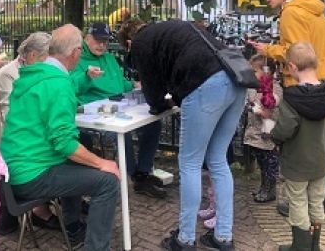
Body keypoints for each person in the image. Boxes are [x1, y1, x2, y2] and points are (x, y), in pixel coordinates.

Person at [118, 19, 246, 251]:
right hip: (236, 80)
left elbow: (153, 95)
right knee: (217, 160)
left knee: (190, 163)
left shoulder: (141, 43)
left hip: (205, 83)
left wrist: (163, 104)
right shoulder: (173, 28)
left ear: (129, 43)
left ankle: (185, 239)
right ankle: (223, 237)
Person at [0, 24, 120, 251]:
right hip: (31, 175)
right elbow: (63, 143)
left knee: (78, 155)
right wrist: (102, 162)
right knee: (108, 181)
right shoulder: (57, 83)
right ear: (75, 53)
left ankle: (73, 226)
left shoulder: (33, 75)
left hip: (11, 170)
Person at [248, 0, 325, 213]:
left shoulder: (290, 12)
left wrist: (269, 49)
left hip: (302, 83)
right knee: (324, 136)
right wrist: (318, 52)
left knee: (301, 141)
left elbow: (294, 51)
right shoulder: (313, 7)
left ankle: (301, 200)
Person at [70, 22, 166, 198]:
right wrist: (86, 76)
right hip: (95, 115)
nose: (102, 45)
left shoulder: (108, 57)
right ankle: (135, 175)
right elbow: (70, 87)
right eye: (98, 41)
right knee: (122, 134)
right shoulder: (77, 59)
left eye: (105, 41)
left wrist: (137, 85)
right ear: (87, 38)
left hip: (120, 105)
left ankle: (143, 173)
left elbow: (121, 82)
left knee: (154, 124)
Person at [0, 32, 59, 233]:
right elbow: (14, 117)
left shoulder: (36, 71)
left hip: (29, 138)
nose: (49, 63)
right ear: (33, 56)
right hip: (9, 144)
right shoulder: (10, 74)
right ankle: (39, 210)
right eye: (46, 58)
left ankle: (56, 205)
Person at [272, 42, 325, 251]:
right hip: (321, 160)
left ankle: (300, 247)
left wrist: (274, 135)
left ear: (292, 66)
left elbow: (285, 129)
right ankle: (314, 246)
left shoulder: (291, 98)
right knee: (317, 201)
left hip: (297, 162)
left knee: (298, 202)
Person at [244, 55, 282, 203]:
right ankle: (263, 187)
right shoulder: (254, 88)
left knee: (269, 163)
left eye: (255, 71)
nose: (252, 75)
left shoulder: (275, 89)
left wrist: (260, 109)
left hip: (267, 133)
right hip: (255, 132)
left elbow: (270, 107)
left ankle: (270, 189)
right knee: (261, 161)